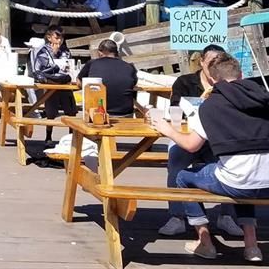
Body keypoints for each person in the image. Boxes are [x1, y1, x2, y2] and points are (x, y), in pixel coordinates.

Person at [151, 53, 269, 262]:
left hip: (237, 180)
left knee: (183, 176)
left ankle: (205, 242)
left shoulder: (211, 106)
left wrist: (166, 129)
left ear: (213, 79)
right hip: (265, 181)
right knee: (242, 173)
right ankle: (252, 247)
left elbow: (190, 145)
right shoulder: (264, 97)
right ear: (241, 75)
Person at [157, 44, 244, 239]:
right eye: (210, 61)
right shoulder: (185, 81)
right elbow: (174, 108)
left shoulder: (227, 84)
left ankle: (226, 215)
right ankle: (177, 216)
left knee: (224, 162)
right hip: (189, 132)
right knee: (176, 160)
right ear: (202, 61)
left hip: (216, 137)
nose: (213, 64)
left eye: (218, 61)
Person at [32, 25, 76, 143]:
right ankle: (48, 137)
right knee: (51, 112)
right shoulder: (43, 51)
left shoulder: (66, 51)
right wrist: (54, 54)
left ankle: (71, 137)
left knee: (71, 112)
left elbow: (69, 65)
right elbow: (40, 69)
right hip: (51, 83)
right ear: (49, 37)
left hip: (65, 83)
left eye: (61, 38)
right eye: (57, 38)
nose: (59, 40)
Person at [76, 39, 137, 117]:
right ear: (116, 53)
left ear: (100, 53)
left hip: (98, 114)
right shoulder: (129, 67)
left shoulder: (92, 63)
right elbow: (133, 85)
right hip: (126, 114)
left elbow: (79, 81)